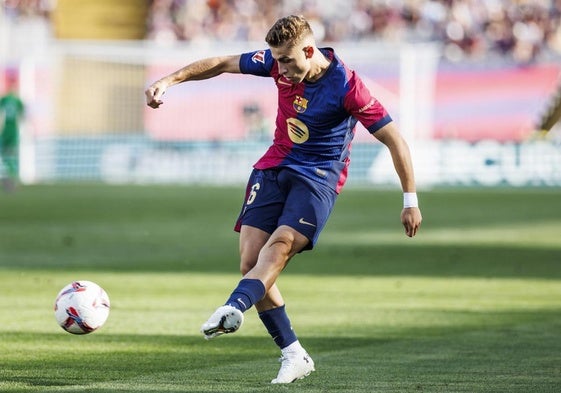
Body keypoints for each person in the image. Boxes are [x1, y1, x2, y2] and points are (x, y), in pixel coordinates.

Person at [145, 15, 422, 384]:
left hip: (318, 180)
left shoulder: (348, 87)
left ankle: (233, 306)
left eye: (287, 61)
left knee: (279, 248)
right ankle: (293, 353)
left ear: (309, 50)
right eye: (276, 60)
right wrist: (168, 80)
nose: (280, 69)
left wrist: (410, 200)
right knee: (250, 262)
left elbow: (395, 139)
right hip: (274, 166)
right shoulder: (278, 65)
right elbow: (223, 63)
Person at [0, 72, 25, 192]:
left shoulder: (4, 99)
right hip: (12, 131)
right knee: (12, 156)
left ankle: (9, 181)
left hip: (5, 131)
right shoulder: (17, 100)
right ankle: (12, 180)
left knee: (6, 156)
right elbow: (22, 116)